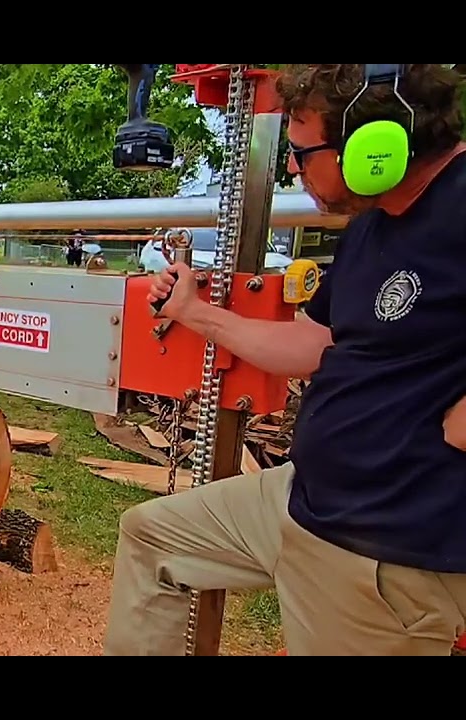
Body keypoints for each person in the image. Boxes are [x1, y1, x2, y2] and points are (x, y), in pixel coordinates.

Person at [103, 64, 466, 656]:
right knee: (152, 538)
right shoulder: (374, 226)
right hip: (309, 497)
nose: (294, 168)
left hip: (384, 546)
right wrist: (198, 313)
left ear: (376, 144)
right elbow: (312, 344)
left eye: (303, 151)